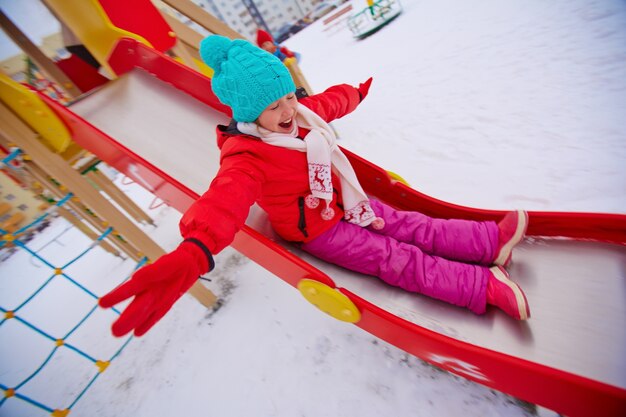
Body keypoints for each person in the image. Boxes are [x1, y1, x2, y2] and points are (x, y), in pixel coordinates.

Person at [98, 35, 531, 338]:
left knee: (409, 224)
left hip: (346, 201)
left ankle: (487, 241)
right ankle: (480, 288)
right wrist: (197, 248)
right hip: (319, 231)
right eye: (274, 106)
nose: (288, 110)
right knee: (394, 257)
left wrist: (354, 94)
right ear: (249, 113)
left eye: (288, 97)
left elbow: (328, 103)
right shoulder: (246, 156)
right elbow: (224, 199)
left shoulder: (300, 115)